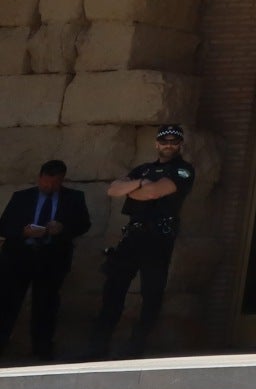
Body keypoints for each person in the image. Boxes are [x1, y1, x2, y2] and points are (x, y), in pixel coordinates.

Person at [90, 124, 196, 359]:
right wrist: (138, 184)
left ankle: (136, 345)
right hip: (133, 236)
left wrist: (137, 189)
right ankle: (98, 345)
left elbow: (155, 192)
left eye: (174, 141)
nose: (169, 145)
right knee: (113, 290)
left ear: (180, 145)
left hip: (158, 238)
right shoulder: (143, 169)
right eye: (164, 141)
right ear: (156, 143)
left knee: (152, 293)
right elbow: (114, 189)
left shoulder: (183, 170)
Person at [0, 159, 89, 362]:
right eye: (46, 182)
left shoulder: (74, 198)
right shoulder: (22, 197)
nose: (49, 187)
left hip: (52, 259)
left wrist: (62, 228)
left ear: (62, 180)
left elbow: (84, 224)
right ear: (39, 178)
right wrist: (23, 231)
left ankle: (42, 350)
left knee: (46, 305)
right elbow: (4, 226)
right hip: (19, 258)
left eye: (54, 183)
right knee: (7, 303)